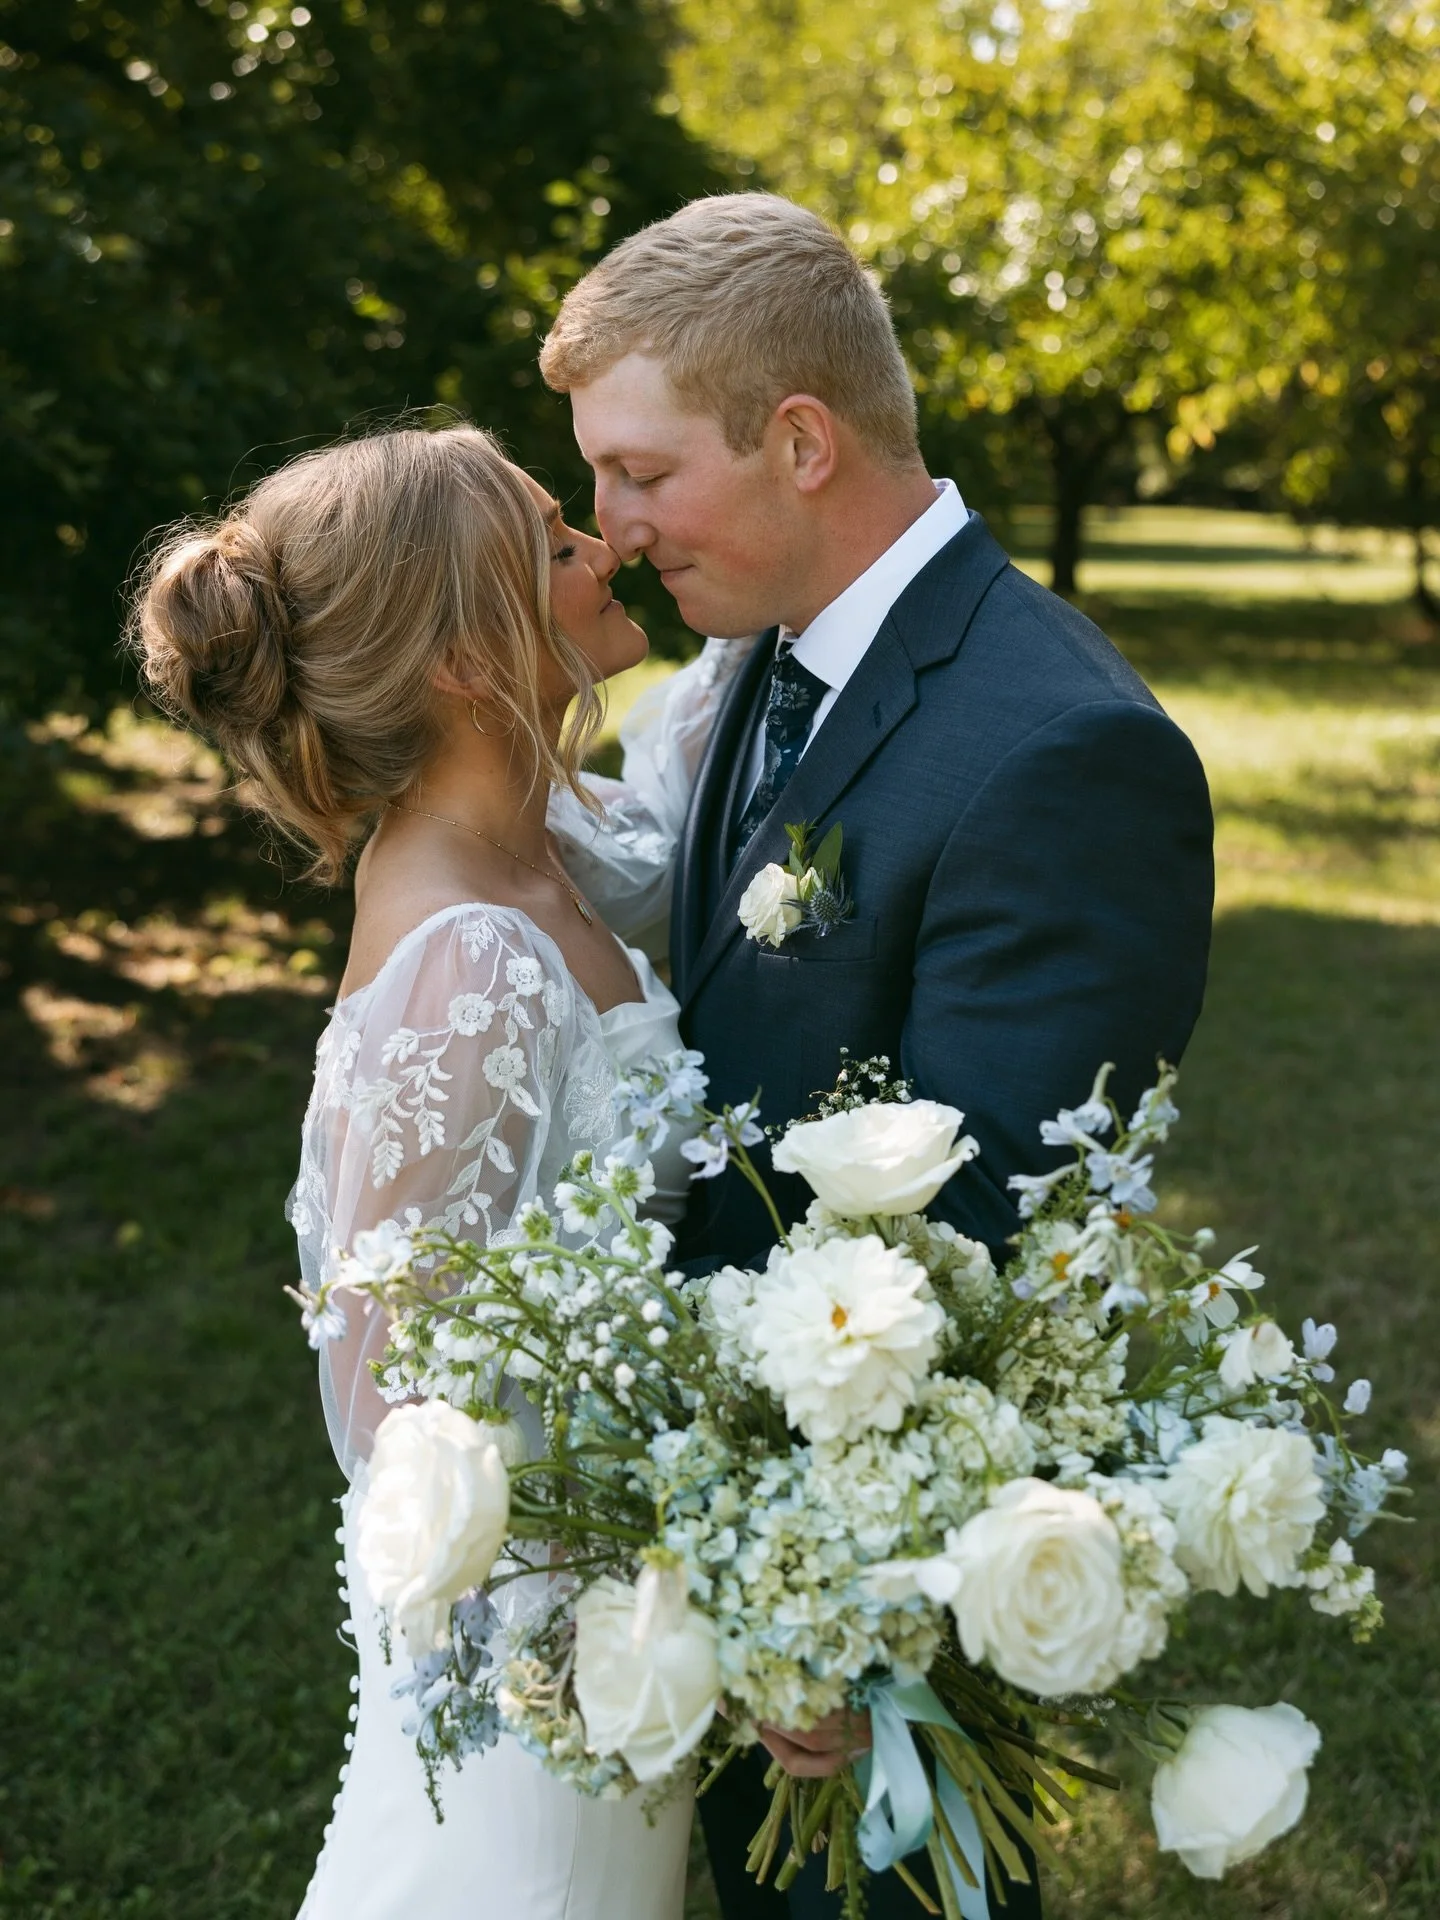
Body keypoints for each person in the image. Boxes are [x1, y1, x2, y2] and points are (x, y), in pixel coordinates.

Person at [540, 191, 1215, 1920]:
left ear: (800, 441)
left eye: (640, 472)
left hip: (860, 1632)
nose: (607, 530)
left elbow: (985, 1242)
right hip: (732, 1553)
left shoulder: (1063, 749)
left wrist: (834, 1598)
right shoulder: (757, 658)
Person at [126, 424, 752, 1920]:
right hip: (533, 1663)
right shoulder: (467, 954)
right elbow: (400, 1414)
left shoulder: (549, 843)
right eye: (556, 541)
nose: (605, 544)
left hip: (625, 1610)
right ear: (469, 661)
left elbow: (669, 800)